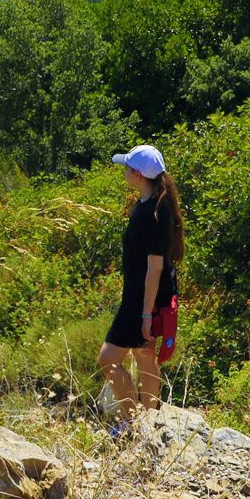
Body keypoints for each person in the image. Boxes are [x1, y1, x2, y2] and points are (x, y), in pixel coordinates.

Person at [98, 143, 183, 421]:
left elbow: (154, 268)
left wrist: (145, 313)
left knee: (108, 359)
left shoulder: (153, 213)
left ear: (137, 175)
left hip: (142, 299)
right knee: (145, 356)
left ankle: (132, 421)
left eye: (126, 168)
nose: (123, 171)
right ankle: (149, 421)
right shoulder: (153, 203)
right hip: (150, 295)